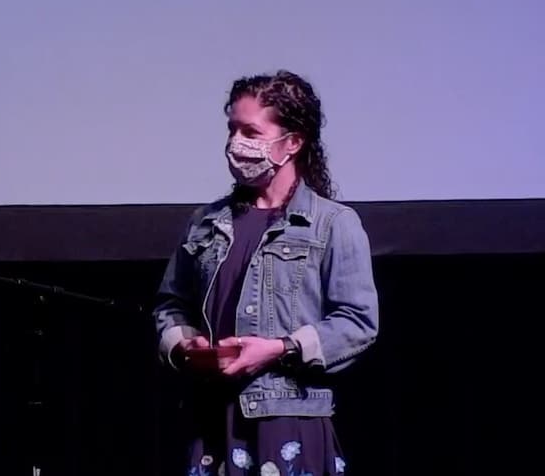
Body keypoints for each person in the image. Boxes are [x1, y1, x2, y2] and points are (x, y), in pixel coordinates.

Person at [153, 70, 378, 476]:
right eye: (232, 129)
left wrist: (280, 348)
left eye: (251, 132)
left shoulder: (331, 224)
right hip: (211, 422)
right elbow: (171, 304)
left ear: (292, 142)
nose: (236, 143)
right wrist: (184, 345)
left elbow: (358, 323)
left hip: (287, 422)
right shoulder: (205, 222)